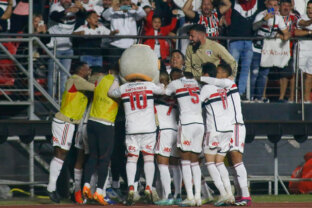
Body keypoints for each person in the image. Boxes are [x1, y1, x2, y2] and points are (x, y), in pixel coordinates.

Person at [108, 77, 165, 205]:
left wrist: (116, 80)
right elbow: (162, 90)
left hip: (132, 128)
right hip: (148, 128)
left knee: (131, 159)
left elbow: (110, 93)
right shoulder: (149, 85)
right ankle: (149, 187)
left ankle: (131, 187)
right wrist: (157, 81)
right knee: (149, 158)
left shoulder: (125, 87)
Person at [201, 63, 251, 206]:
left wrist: (201, 77)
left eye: (218, 72)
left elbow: (215, 81)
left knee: (236, 159)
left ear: (225, 74)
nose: (216, 75)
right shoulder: (220, 88)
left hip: (236, 125)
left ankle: (246, 195)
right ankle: (240, 194)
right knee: (229, 161)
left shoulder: (229, 83)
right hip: (228, 127)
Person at [47, 62, 95, 203]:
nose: (89, 71)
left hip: (68, 123)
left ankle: (51, 188)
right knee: (60, 154)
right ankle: (51, 188)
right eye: (88, 69)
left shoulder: (78, 82)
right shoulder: (76, 80)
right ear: (81, 70)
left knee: (61, 154)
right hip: (65, 122)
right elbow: (95, 88)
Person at [165, 71, 204, 206]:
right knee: (195, 160)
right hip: (200, 123)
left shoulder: (175, 83)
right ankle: (198, 197)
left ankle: (190, 196)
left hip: (187, 123)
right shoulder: (197, 84)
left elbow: (164, 93)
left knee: (185, 160)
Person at [82, 65, 119, 205]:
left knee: (92, 156)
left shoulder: (98, 79)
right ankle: (99, 192)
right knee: (104, 160)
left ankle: (86, 185)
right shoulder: (118, 82)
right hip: (106, 123)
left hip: (91, 121)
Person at [200, 63, 234, 206]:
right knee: (219, 162)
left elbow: (197, 104)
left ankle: (222, 193)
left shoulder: (207, 87)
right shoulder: (223, 87)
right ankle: (230, 194)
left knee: (209, 162)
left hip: (214, 129)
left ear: (206, 74)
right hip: (227, 129)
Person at [251, 0, 290, 102]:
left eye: (275, 5)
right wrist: (264, 19)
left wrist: (283, 36)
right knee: (254, 73)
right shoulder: (261, 14)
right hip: (257, 49)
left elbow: (286, 33)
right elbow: (253, 27)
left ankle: (259, 97)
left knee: (263, 75)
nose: (273, 7)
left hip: (268, 51)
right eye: (271, 5)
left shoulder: (278, 17)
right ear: (267, 5)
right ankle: (250, 96)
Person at [47, 0, 86, 97]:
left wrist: (81, 8)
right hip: (54, 47)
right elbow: (54, 16)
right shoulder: (55, 6)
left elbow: (85, 15)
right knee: (53, 76)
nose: (66, 1)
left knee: (64, 76)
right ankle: (51, 99)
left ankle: (62, 99)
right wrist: (68, 10)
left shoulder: (74, 7)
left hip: (68, 48)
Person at [154, 71, 182, 205]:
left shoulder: (156, 95)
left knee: (162, 163)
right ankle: (178, 194)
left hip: (164, 130)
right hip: (176, 130)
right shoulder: (175, 94)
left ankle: (168, 195)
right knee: (175, 165)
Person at [227, 0, 264, 99]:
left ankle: (240, 93)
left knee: (245, 69)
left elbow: (270, 7)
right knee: (232, 68)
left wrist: (271, 12)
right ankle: (230, 91)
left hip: (249, 41)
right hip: (235, 41)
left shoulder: (258, 3)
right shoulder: (234, 2)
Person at [271, 0, 298, 103]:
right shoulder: (273, 13)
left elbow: (299, 27)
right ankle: (262, 97)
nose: (286, 8)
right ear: (279, 5)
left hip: (288, 50)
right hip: (271, 50)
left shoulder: (295, 17)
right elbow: (263, 14)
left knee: (287, 73)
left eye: (288, 5)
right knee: (265, 72)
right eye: (283, 5)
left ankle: (283, 98)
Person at [102, 0, 146, 64]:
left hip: (130, 47)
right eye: (123, 1)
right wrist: (113, 9)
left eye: (127, 1)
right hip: (115, 46)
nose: (125, 3)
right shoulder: (113, 12)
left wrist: (137, 8)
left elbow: (143, 14)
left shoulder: (133, 13)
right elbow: (104, 16)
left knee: (129, 68)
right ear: (120, 2)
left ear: (130, 2)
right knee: (114, 69)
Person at [294, 0, 312, 103]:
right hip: (301, 50)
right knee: (300, 74)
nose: (310, 10)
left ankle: (306, 100)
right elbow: (296, 31)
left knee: (309, 75)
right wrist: (309, 32)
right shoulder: (301, 18)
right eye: (309, 8)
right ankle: (296, 99)